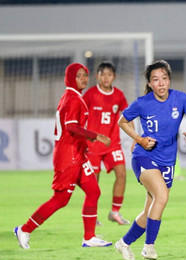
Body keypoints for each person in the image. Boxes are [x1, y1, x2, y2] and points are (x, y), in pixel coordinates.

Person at [14, 62, 113, 249]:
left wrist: (85, 145)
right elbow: (71, 127)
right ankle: (24, 229)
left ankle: (89, 237)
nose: (84, 78)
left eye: (85, 75)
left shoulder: (73, 97)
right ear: (70, 78)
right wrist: (96, 136)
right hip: (68, 158)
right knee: (60, 199)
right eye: (79, 75)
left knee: (94, 191)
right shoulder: (72, 98)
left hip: (77, 155)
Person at [114, 60, 186, 260]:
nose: (161, 83)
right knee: (161, 197)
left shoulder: (180, 99)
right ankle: (149, 246)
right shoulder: (143, 103)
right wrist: (139, 139)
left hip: (167, 161)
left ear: (169, 80)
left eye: (164, 78)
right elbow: (123, 121)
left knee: (150, 210)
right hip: (144, 157)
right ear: (150, 84)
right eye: (156, 80)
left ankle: (124, 243)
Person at [83, 62, 129, 226]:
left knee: (122, 174)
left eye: (109, 74)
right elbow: (80, 115)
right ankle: (92, 215)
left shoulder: (118, 95)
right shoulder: (90, 94)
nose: (106, 77)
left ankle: (115, 212)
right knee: (93, 183)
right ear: (97, 76)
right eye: (103, 74)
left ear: (114, 77)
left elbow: (127, 116)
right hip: (93, 145)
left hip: (112, 144)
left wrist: (136, 138)